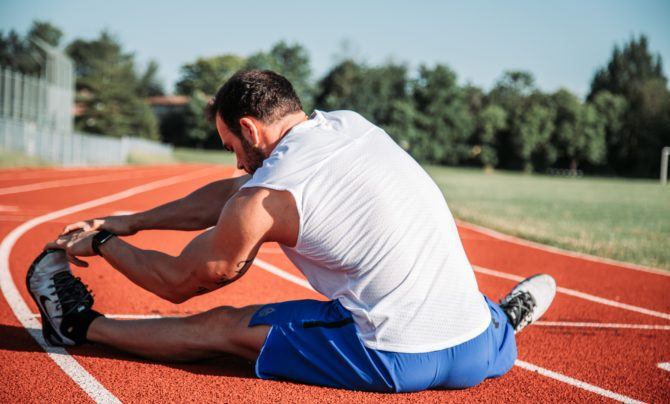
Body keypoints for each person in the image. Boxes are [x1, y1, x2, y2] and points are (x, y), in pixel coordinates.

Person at [27, 70, 556, 392]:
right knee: (442, 281)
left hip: (393, 355)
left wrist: (102, 242)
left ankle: (78, 327)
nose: (234, 161)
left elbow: (179, 281)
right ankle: (503, 323)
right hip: (476, 350)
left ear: (251, 130)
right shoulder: (349, 125)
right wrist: (131, 221)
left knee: (221, 327)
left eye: (230, 145)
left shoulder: (264, 197)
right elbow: (235, 195)